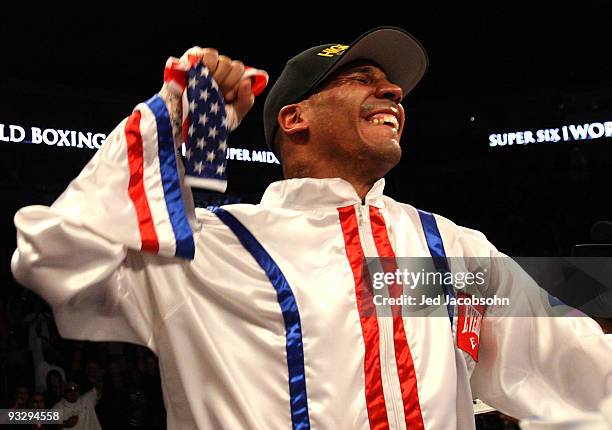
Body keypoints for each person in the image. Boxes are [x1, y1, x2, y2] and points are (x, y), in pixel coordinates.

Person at [10, 26, 612, 430]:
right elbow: (55, 253)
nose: (393, 91)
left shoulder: (442, 253)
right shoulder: (208, 252)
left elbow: (578, 366)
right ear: (294, 117)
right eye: (359, 79)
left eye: (391, 84)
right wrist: (172, 127)